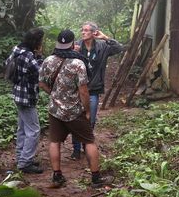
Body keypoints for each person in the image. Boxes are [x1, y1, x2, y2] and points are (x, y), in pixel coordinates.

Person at [38, 29, 113, 188]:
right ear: (73, 44)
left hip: (55, 110)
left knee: (55, 141)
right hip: (74, 110)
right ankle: (96, 178)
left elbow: (42, 83)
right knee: (89, 141)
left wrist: (55, 93)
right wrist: (86, 111)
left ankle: (57, 176)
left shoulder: (48, 60)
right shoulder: (78, 63)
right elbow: (84, 91)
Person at [70, 21, 123, 160]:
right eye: (82, 30)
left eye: (87, 30)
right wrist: (72, 53)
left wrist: (105, 37)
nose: (83, 32)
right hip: (77, 89)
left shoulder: (102, 46)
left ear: (94, 32)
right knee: (76, 119)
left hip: (93, 89)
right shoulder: (76, 46)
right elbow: (64, 61)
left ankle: (85, 145)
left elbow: (119, 48)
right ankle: (75, 149)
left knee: (90, 120)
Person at [8, 27, 45, 174]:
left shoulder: (17, 49)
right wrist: (41, 57)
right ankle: (25, 163)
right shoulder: (28, 55)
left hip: (17, 93)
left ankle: (21, 158)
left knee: (23, 128)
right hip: (27, 96)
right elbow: (41, 72)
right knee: (34, 130)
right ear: (35, 41)